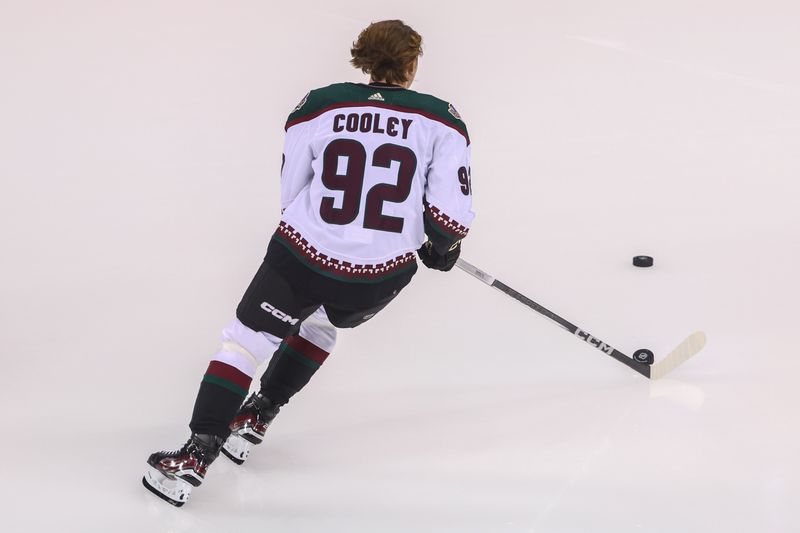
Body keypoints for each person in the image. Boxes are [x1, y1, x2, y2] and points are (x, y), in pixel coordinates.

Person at [142, 19, 474, 507]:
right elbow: (449, 218)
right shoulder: (443, 121)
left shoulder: (320, 105)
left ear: (362, 57)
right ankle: (257, 417)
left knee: (246, 341)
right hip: (379, 276)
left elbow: (291, 189)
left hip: (302, 256)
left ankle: (195, 456)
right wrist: (442, 248)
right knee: (319, 323)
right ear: (411, 63)